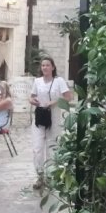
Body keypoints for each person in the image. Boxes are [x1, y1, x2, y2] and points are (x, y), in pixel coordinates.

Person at [29, 56, 72, 189]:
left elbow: (68, 97)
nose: (45, 67)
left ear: (53, 67)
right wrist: (33, 101)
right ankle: (40, 175)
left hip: (53, 116)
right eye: (43, 65)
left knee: (52, 147)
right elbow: (31, 97)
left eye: (47, 65)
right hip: (40, 117)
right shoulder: (37, 81)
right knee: (37, 148)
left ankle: (51, 176)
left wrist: (53, 102)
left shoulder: (59, 81)